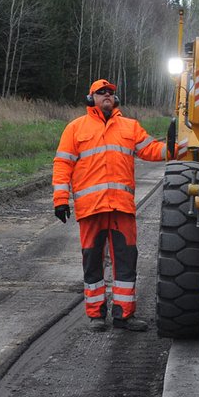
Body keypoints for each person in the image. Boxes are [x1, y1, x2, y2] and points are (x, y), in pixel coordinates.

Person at [53, 79, 167, 332]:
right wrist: (60, 200)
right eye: (101, 92)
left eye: (111, 92)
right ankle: (96, 315)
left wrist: (179, 148)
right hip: (90, 209)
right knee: (92, 261)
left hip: (121, 209)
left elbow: (152, 150)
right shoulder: (75, 129)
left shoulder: (130, 127)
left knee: (126, 261)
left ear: (115, 99)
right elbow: (62, 164)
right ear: (90, 98)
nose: (106, 95)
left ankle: (124, 315)